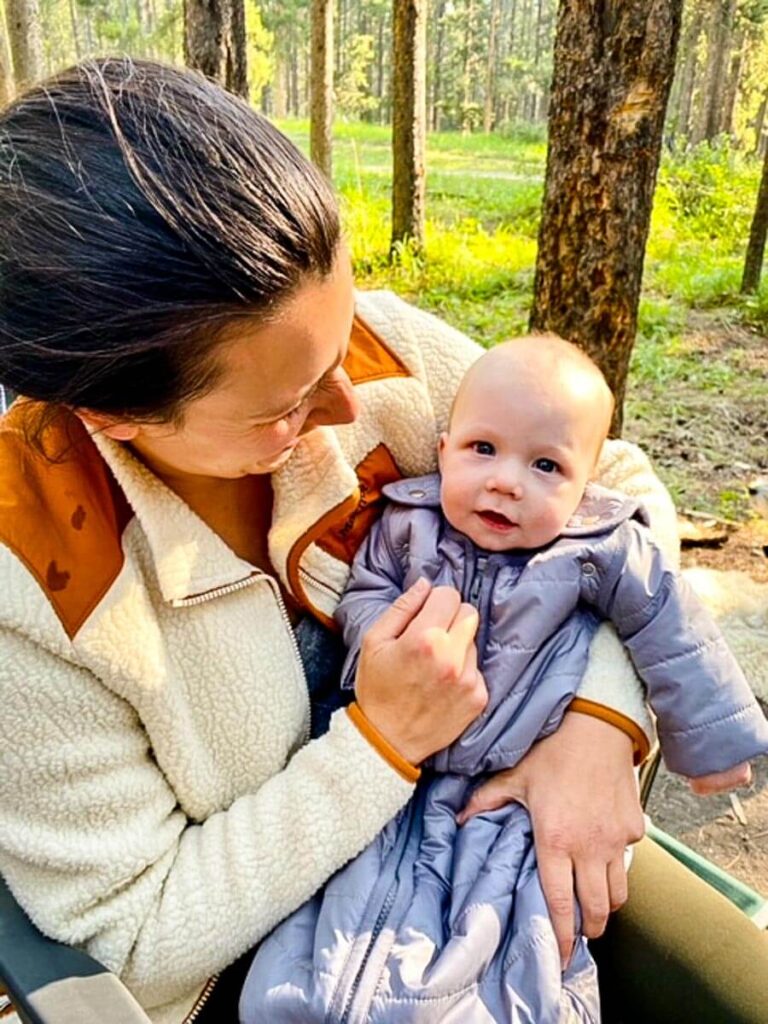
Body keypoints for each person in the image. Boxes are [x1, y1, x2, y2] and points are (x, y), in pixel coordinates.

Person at [0, 57, 765, 1024]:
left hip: (512, 833)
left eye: (340, 339)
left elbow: (611, 485)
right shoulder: (33, 583)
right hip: (272, 961)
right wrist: (382, 742)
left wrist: (599, 725)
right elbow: (137, 939)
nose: (354, 404)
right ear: (114, 417)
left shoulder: (367, 344)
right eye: (287, 405)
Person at [239, 337, 768, 1023]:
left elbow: (673, 627)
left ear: (585, 490)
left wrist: (712, 739)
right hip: (385, 782)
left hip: (511, 800)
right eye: (483, 450)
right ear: (444, 447)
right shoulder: (404, 522)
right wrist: (381, 642)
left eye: (546, 465)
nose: (506, 481)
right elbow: (362, 594)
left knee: (518, 941)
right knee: (333, 933)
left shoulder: (598, 549)